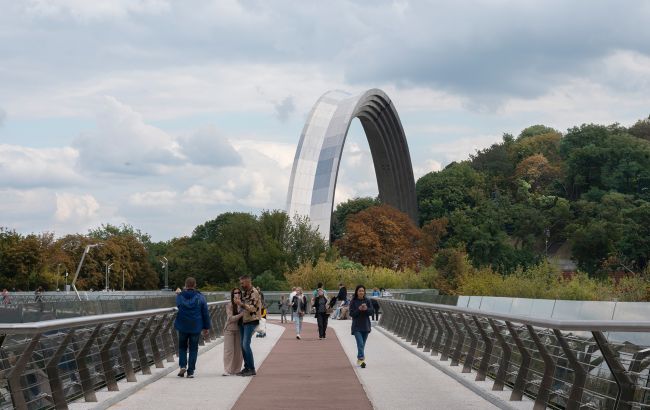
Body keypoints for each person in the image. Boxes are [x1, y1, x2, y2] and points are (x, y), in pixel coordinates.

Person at [174, 277, 210, 378]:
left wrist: (177, 294)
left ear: (185, 285)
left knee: (182, 347)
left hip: (182, 325)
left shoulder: (180, 296)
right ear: (195, 285)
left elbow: (178, 305)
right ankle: (190, 372)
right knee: (193, 348)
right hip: (196, 325)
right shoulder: (200, 296)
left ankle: (182, 365)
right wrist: (206, 327)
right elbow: (205, 313)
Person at [234, 275, 262, 376]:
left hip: (251, 320)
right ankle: (246, 367)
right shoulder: (245, 292)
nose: (241, 285)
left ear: (248, 282)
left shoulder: (254, 292)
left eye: (242, 283)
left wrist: (241, 304)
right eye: (240, 283)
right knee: (243, 345)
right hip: (244, 320)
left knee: (246, 344)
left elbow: (253, 308)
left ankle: (252, 368)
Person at [350, 284, 374, 369]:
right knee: (360, 343)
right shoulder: (353, 301)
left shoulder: (367, 300)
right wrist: (359, 309)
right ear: (357, 292)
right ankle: (361, 359)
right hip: (356, 326)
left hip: (366, 325)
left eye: (363, 291)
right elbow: (351, 314)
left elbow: (371, 312)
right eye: (359, 291)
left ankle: (359, 358)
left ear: (364, 292)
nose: (361, 292)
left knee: (362, 345)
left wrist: (366, 309)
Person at [223, 288, 244, 376]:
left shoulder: (243, 305)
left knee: (238, 351)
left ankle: (236, 369)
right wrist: (241, 314)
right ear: (232, 294)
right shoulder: (229, 304)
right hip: (229, 329)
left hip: (240, 329)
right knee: (229, 350)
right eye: (235, 293)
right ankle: (227, 369)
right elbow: (230, 318)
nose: (238, 294)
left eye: (239, 292)